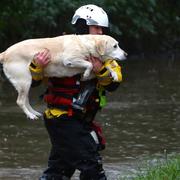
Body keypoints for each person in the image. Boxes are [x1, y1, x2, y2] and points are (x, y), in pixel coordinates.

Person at [29, 4, 123, 180]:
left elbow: (114, 83)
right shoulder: (59, 47)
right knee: (92, 167)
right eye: (96, 27)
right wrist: (37, 66)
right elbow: (34, 83)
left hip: (81, 121)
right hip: (62, 118)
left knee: (59, 170)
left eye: (103, 29)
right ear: (83, 26)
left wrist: (99, 70)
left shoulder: (106, 53)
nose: (101, 33)